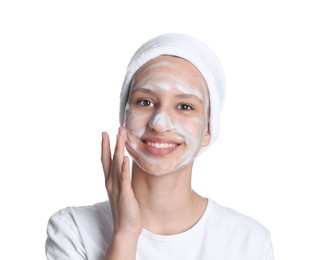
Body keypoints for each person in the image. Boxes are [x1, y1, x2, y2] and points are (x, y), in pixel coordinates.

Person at [45, 33, 274, 260]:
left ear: (208, 130)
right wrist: (125, 233)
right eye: (145, 102)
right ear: (124, 117)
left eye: (184, 106)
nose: (159, 123)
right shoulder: (74, 231)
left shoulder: (248, 242)